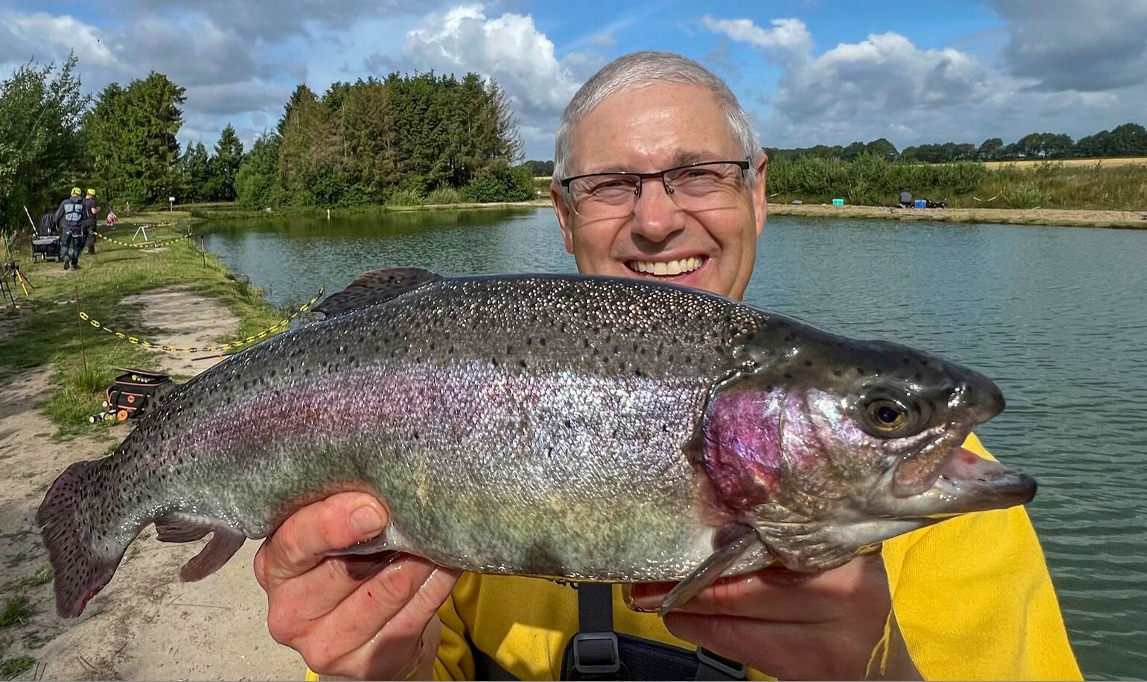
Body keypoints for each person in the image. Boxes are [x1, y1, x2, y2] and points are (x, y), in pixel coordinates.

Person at [254, 51, 1081, 680]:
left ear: (757, 191)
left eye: (696, 174)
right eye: (612, 184)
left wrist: (881, 668)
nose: (656, 220)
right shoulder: (444, 434)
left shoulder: (947, 514)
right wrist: (379, 668)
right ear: (563, 212)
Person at [53, 187, 86, 270]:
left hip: (67, 228)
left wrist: (56, 224)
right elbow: (85, 217)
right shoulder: (82, 204)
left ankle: (65, 256)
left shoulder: (65, 202)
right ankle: (74, 264)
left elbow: (57, 216)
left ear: (72, 193)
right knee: (77, 247)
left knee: (64, 244)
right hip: (77, 229)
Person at [81, 188, 101, 255]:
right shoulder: (92, 201)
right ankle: (91, 251)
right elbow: (93, 211)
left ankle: (81, 249)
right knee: (91, 236)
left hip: (83, 221)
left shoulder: (82, 201)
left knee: (84, 235)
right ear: (92, 195)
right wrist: (98, 209)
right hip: (91, 221)